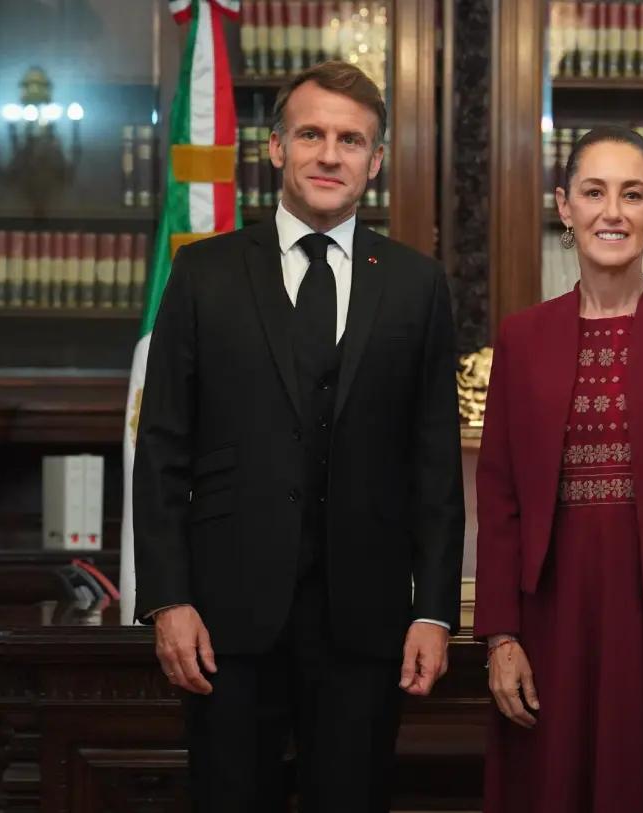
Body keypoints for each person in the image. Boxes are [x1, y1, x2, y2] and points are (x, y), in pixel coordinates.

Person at [134, 60, 465, 812]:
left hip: (366, 616)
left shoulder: (416, 284)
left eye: (351, 140)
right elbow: (162, 449)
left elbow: (434, 462)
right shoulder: (203, 274)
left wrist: (434, 609)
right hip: (225, 615)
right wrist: (167, 597)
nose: (329, 154)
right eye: (311, 134)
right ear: (276, 147)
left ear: (375, 161)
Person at [474, 126, 643, 812]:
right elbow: (500, 494)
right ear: (563, 206)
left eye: (633, 195)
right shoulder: (522, 335)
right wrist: (499, 636)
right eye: (594, 192)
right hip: (552, 616)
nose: (613, 212)